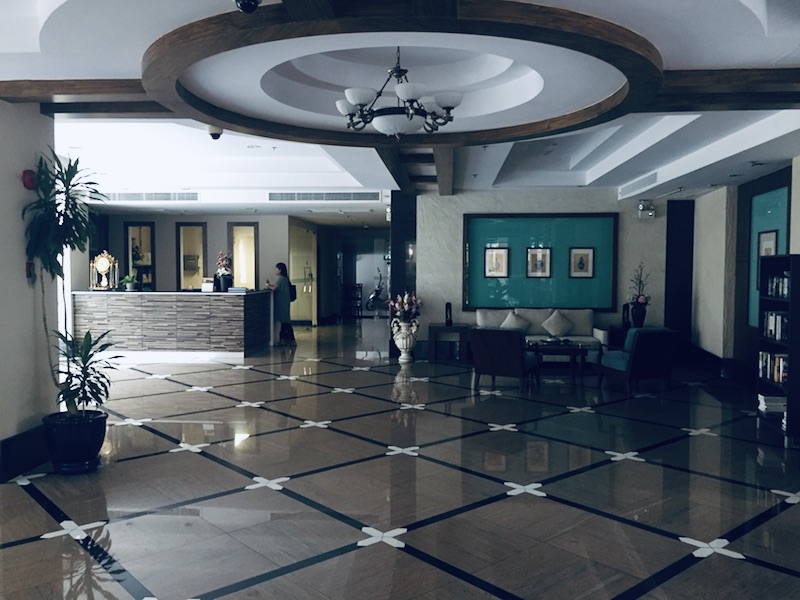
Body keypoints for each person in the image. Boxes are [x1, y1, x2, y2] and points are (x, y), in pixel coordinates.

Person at [266, 262, 295, 346]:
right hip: (285, 303)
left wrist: (268, 285)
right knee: (284, 321)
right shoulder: (285, 279)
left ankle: (292, 340)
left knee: (286, 322)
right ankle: (283, 340)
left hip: (282, 303)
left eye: (276, 268)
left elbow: (274, 288)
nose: (275, 270)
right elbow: (276, 286)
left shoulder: (281, 279)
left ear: (280, 270)